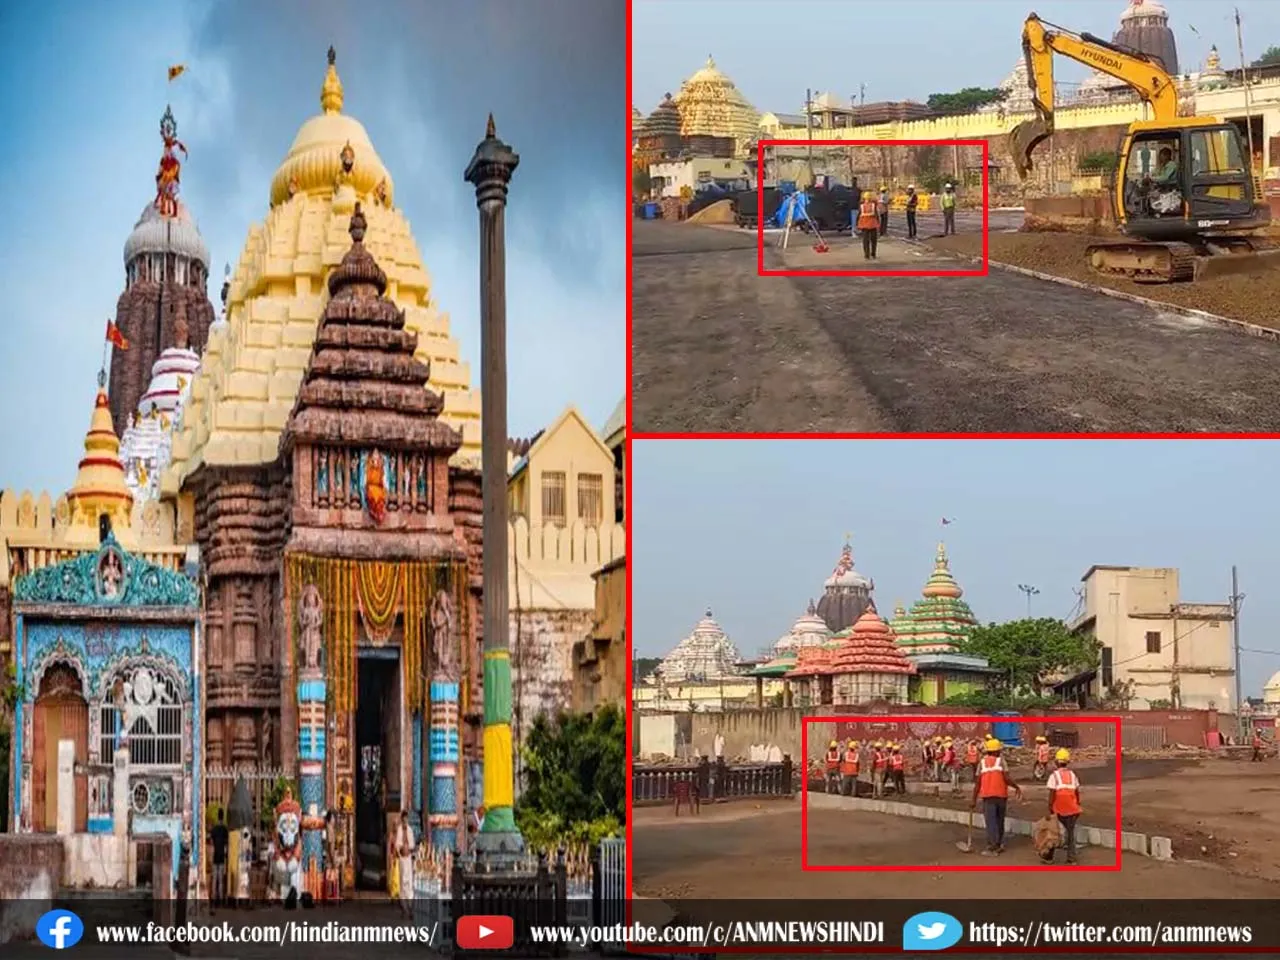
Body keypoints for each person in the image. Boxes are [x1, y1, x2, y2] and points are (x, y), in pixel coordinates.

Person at [971, 737, 1023, 856]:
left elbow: (978, 783)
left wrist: (973, 799)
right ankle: (999, 844)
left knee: (991, 822)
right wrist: (1016, 786)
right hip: (1001, 796)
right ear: (995, 751)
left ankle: (992, 846)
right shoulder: (1001, 761)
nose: (1000, 752)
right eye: (999, 750)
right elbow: (1006, 778)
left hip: (988, 796)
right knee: (999, 821)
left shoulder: (982, 763)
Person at [1045, 748, 1082, 864]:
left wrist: (1050, 808)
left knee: (1053, 832)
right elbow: (1076, 792)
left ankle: (1049, 857)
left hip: (1059, 809)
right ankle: (1071, 859)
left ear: (1056, 762)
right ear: (1067, 762)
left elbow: (1052, 794)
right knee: (1070, 834)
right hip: (1072, 809)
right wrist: (1077, 804)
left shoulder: (1054, 776)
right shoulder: (1072, 775)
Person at [392, 811, 415, 917]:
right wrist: (401, 850)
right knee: (403, 882)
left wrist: (408, 849)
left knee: (409, 882)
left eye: (407, 819)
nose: (405, 821)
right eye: (404, 819)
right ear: (402, 819)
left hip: (408, 859)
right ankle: (404, 908)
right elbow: (397, 844)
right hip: (402, 859)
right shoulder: (400, 830)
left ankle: (410, 908)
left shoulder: (410, 830)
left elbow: (412, 844)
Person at [209, 807, 229, 909]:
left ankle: (213, 898)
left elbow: (211, 843)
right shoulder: (225, 829)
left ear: (217, 816)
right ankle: (220, 899)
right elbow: (226, 844)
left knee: (214, 879)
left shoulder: (214, 829)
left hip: (215, 856)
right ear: (223, 816)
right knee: (221, 879)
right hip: (222, 856)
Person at [856, 191, 880, 260]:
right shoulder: (873, 205)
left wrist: (857, 224)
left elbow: (859, 215)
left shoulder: (861, 206)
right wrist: (878, 223)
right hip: (873, 224)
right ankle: (873, 254)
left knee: (865, 240)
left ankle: (867, 255)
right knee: (873, 240)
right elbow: (876, 215)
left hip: (864, 224)